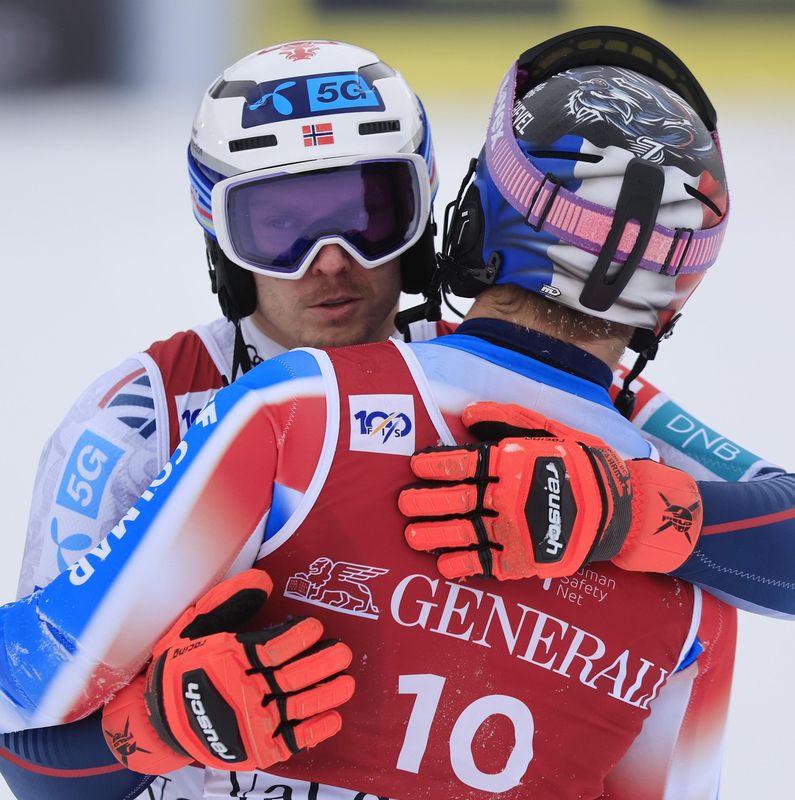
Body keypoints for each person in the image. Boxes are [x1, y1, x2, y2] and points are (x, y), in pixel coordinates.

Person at [0, 27, 742, 800]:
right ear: (218, 235)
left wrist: (625, 509)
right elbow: (29, 743)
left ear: (424, 210)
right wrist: (157, 727)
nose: (329, 260)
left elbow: (773, 522)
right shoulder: (140, 417)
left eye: (366, 214)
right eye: (279, 226)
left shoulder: (496, 378)